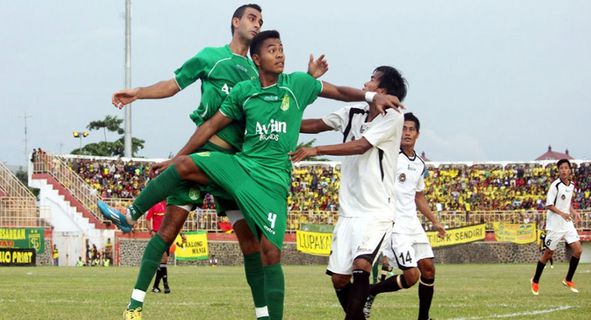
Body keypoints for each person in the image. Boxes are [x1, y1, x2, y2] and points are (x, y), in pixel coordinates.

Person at [102, 30, 403, 320]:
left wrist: (369, 96)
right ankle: (130, 215)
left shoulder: (297, 83)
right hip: (243, 167)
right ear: (256, 59)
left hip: (273, 181)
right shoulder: (243, 90)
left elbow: (337, 91)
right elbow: (210, 126)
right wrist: (177, 155)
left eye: (282, 49)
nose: (280, 54)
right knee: (184, 165)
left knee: (270, 253)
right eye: (272, 50)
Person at [98, 5, 272, 319]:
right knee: (167, 232)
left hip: (232, 165)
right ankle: (134, 306)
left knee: (250, 244)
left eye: (260, 20)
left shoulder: (256, 73)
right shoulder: (210, 57)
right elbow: (173, 84)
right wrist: (138, 92)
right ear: (235, 22)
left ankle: (263, 314)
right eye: (251, 18)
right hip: (204, 154)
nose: (257, 24)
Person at [293, 66, 407, 319]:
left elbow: (361, 146)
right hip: (349, 212)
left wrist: (315, 151)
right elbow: (315, 125)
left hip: (376, 211)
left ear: (383, 91)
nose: (365, 83)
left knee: (362, 265)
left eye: (371, 80)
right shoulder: (352, 112)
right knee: (339, 279)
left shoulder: (393, 118)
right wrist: (280, 121)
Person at [362, 113, 446, 320]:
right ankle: (370, 291)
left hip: (413, 225)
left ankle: (423, 318)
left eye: (411, 129)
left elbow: (419, 196)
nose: (407, 133)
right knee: (412, 276)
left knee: (428, 270)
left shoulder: (419, 164)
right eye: (404, 129)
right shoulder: (390, 158)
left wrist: (435, 222)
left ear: (418, 134)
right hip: (394, 225)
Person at [531, 159, 582, 295]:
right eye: (561, 168)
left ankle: (568, 279)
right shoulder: (555, 186)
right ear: (558, 171)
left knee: (578, 250)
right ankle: (535, 280)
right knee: (548, 254)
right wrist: (562, 214)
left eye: (566, 168)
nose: (564, 170)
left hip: (567, 223)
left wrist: (574, 212)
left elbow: (567, 202)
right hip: (555, 225)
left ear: (570, 170)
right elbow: (549, 205)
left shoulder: (571, 185)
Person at [145, 201, 170, 294]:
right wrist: (151, 231)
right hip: (158, 235)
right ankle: (166, 285)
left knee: (163, 261)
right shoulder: (154, 205)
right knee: (163, 258)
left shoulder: (168, 206)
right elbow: (147, 219)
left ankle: (155, 287)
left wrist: (181, 233)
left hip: (168, 235)